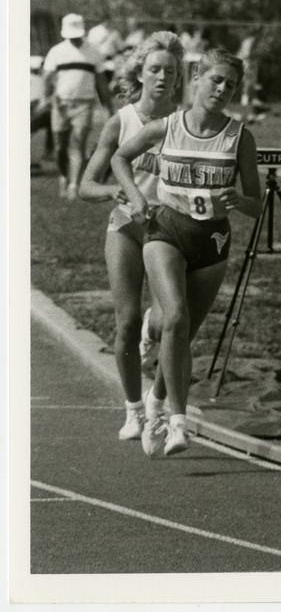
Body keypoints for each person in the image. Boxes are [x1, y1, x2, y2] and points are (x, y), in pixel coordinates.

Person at [111, 48, 262, 457]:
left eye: (230, 84)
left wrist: (238, 198)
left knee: (184, 334)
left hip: (212, 242)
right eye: (215, 80)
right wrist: (134, 198)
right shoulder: (167, 126)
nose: (222, 89)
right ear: (196, 79)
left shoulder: (239, 137)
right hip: (167, 231)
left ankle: (156, 405)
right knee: (175, 316)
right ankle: (179, 422)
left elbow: (257, 203)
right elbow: (120, 157)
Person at [79, 31, 181, 440]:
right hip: (125, 227)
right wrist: (112, 190)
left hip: (170, 231)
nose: (161, 77)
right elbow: (86, 184)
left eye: (169, 71)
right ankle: (134, 409)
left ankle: (155, 380)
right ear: (139, 73)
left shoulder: (183, 122)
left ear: (178, 78)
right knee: (127, 321)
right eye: (154, 69)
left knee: (164, 321)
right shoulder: (121, 122)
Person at [42, 13, 114, 201]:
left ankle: (74, 184)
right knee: (60, 147)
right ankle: (64, 176)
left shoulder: (93, 53)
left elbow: (101, 83)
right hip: (61, 105)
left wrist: (108, 107)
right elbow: (47, 78)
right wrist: (46, 98)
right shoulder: (56, 52)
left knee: (77, 143)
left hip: (84, 104)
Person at [87, 15, 125, 90]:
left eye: (110, 21)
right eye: (106, 21)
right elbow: (90, 46)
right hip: (97, 59)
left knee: (109, 80)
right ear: (103, 21)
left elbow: (120, 48)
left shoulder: (114, 33)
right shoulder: (94, 31)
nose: (108, 23)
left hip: (110, 60)